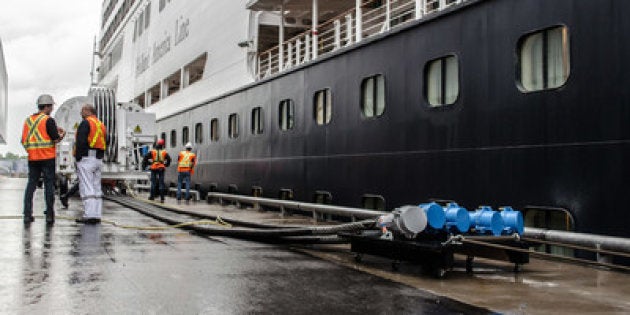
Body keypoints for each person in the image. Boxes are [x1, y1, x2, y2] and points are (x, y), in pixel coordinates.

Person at [22, 94, 65, 224]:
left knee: (31, 185)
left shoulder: (28, 121)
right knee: (49, 186)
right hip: (47, 158)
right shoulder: (48, 120)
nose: (52, 109)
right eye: (51, 106)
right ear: (46, 106)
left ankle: (27, 214)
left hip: (33, 158)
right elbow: (55, 139)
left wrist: (32, 151)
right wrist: (62, 135)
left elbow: (24, 140)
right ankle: (50, 215)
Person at [74, 105, 106, 224]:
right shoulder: (100, 124)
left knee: (87, 186)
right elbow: (105, 141)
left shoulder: (85, 123)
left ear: (88, 111)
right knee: (96, 187)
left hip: (86, 158)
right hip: (98, 158)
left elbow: (81, 141)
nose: (80, 112)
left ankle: (89, 215)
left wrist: (78, 157)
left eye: (82, 110)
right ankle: (97, 214)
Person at [142, 139, 171, 203]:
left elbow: (145, 158)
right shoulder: (164, 152)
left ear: (157, 144)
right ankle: (162, 198)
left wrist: (147, 165)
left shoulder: (152, 151)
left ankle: (152, 196)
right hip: (161, 168)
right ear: (162, 145)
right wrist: (166, 165)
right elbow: (169, 159)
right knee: (161, 183)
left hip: (154, 167)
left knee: (153, 183)